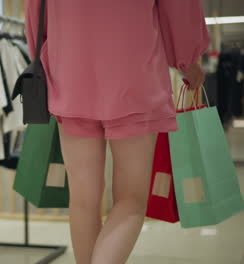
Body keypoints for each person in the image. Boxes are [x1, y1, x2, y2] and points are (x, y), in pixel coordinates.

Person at [25, 1, 210, 263]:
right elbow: (179, 9)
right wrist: (188, 61)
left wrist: (47, 57)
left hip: (70, 75)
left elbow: (36, 14)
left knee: (82, 200)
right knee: (130, 201)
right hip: (135, 79)